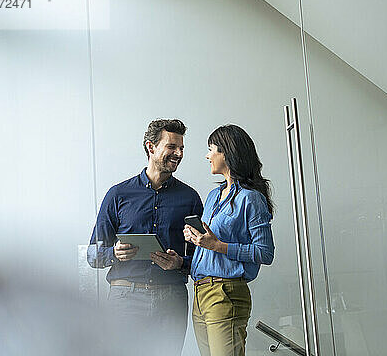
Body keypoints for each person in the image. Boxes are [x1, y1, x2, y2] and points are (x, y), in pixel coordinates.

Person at [87, 119, 202, 355]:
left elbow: (204, 257)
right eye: (172, 146)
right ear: (151, 147)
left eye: (181, 148)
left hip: (171, 298)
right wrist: (114, 253)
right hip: (125, 298)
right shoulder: (118, 194)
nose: (179, 153)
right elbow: (92, 255)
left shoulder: (190, 198)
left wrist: (181, 263)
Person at [162, 124, 275, 356]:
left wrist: (217, 245)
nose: (207, 155)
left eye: (211, 149)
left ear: (227, 153)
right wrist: (194, 242)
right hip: (200, 293)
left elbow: (265, 252)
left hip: (226, 293)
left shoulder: (251, 199)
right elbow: (209, 245)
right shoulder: (213, 196)